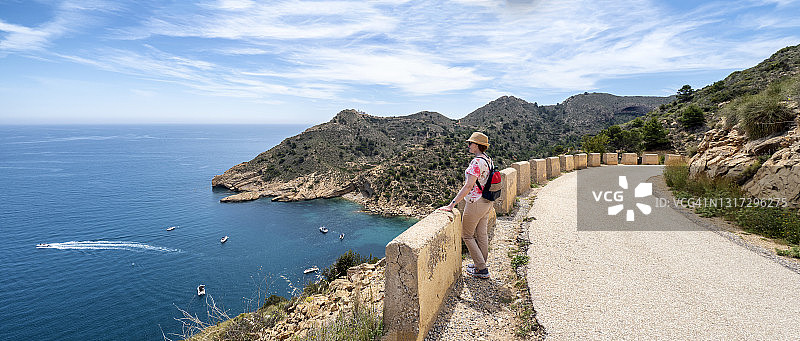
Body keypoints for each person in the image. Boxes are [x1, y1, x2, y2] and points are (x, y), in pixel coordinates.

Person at [438, 132, 493, 279]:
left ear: (477, 145)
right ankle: (480, 264)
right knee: (482, 235)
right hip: (487, 201)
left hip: (475, 202)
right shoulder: (488, 160)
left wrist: (452, 204)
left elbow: (468, 186)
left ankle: (482, 269)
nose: (468, 145)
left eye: (470, 143)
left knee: (467, 235)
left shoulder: (476, 162)